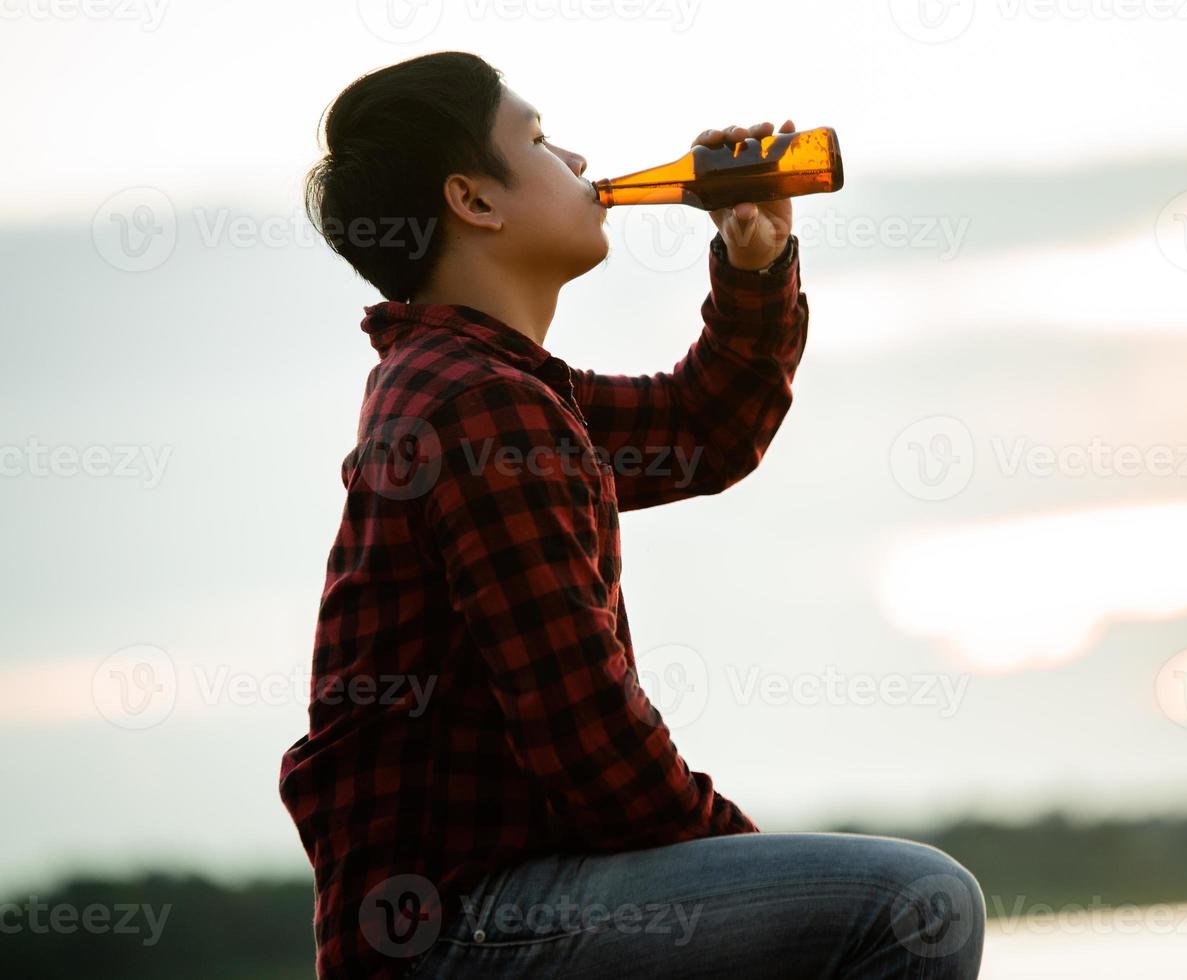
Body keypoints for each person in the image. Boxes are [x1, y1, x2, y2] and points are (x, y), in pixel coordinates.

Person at [277, 50, 985, 980]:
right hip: (460, 926)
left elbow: (701, 431)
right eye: (535, 139)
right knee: (915, 904)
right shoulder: (477, 407)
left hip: (485, 909)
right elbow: (589, 742)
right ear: (475, 202)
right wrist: (749, 863)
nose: (576, 159)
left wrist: (753, 255)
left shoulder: (478, 386)